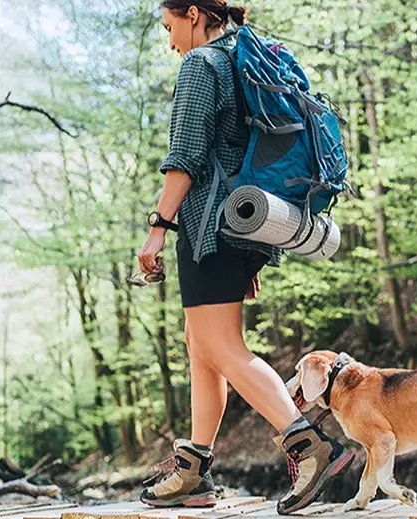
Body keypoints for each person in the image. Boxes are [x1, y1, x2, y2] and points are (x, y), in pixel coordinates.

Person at [135, 1, 353, 513]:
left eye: (170, 28)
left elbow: (185, 157)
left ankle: (306, 442)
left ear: (192, 14)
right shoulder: (242, 57)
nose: (171, 41)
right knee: (200, 346)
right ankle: (194, 470)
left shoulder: (201, 63)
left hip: (210, 224)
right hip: (243, 223)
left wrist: (157, 230)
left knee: (221, 348)